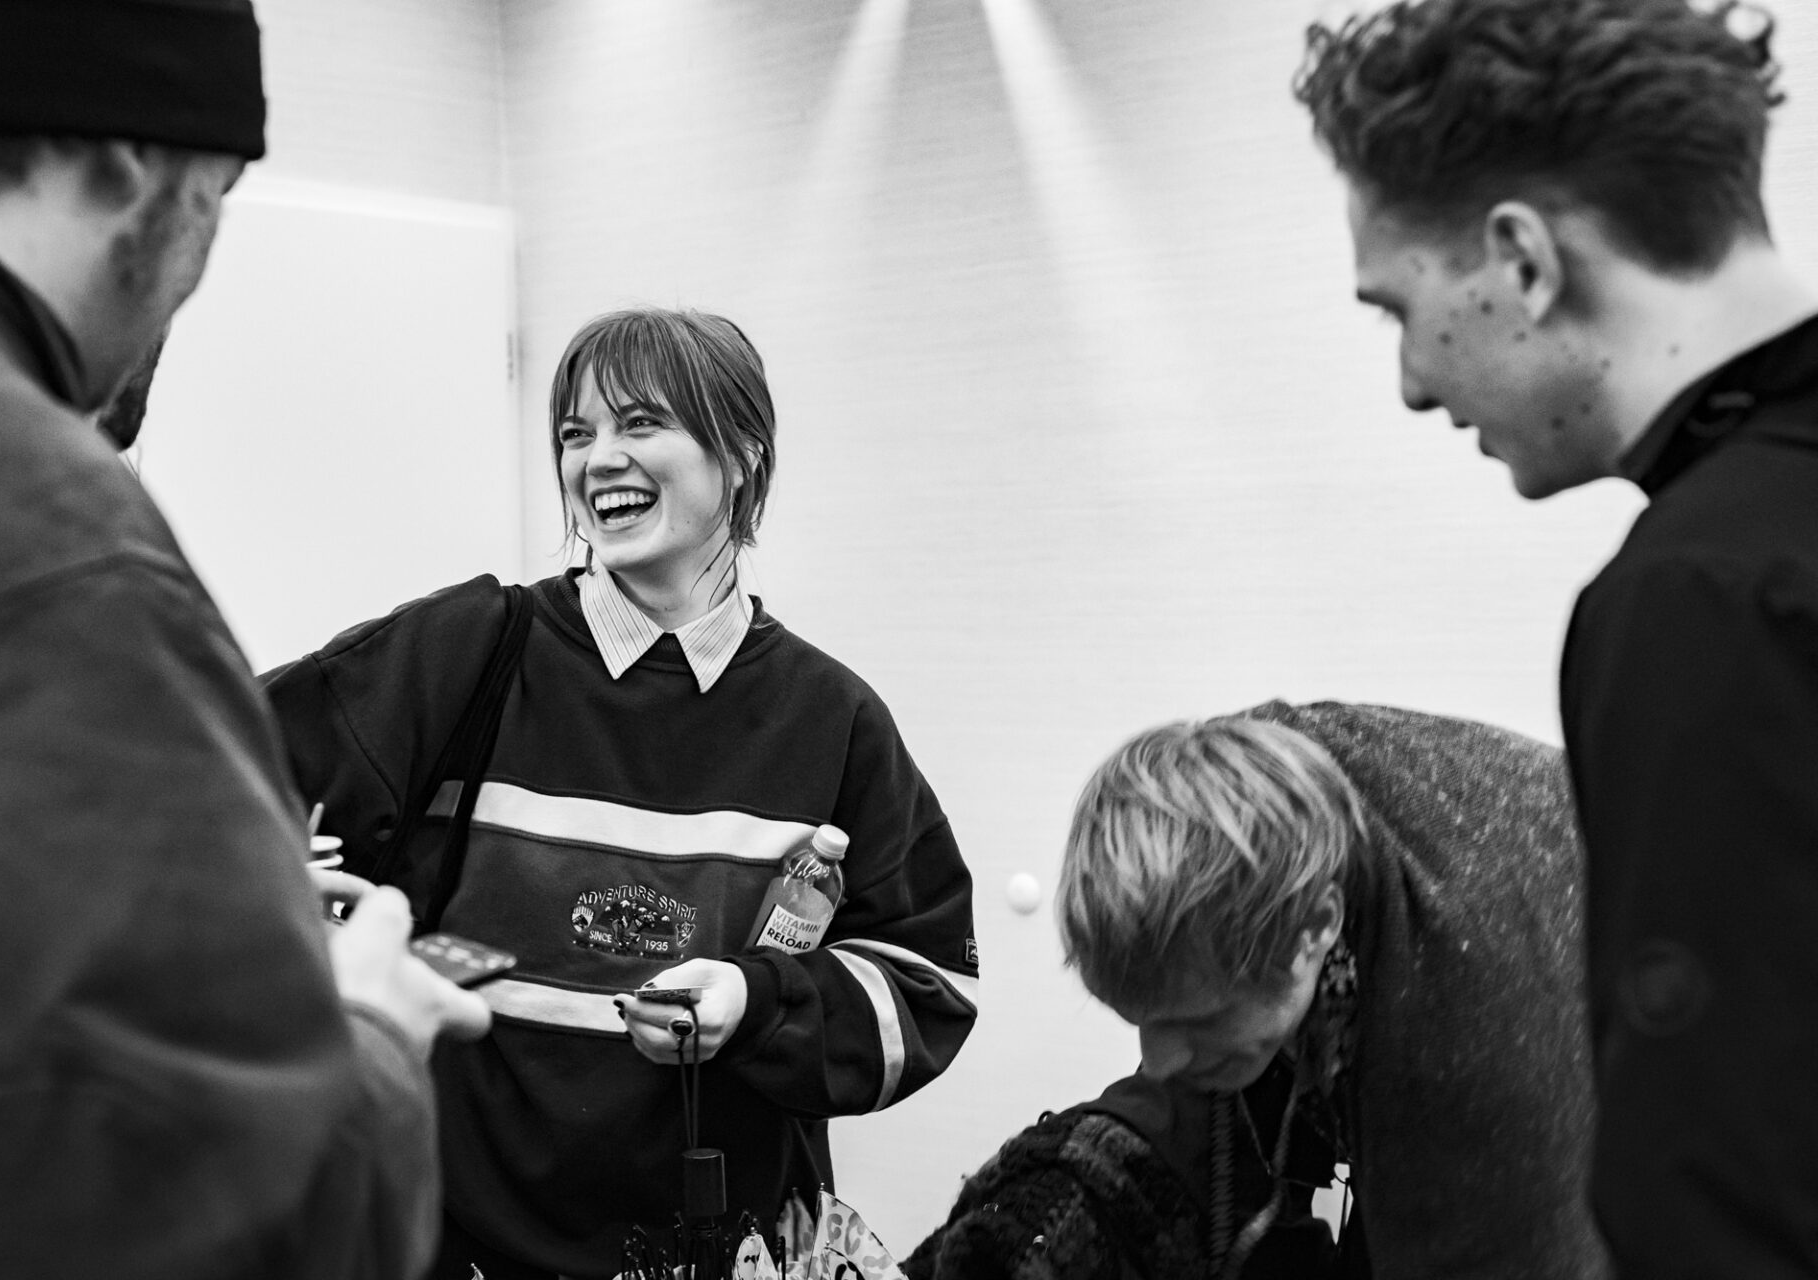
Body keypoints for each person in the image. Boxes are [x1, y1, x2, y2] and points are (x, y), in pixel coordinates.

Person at [0, 2, 493, 1277]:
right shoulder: (38, 529)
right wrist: (368, 1029)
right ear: (131, 160)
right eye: (214, 200)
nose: (193, 276)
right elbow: (238, 1212)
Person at [265, 306, 981, 1279]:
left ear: (743, 454)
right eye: (576, 432)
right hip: (460, 1246)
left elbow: (928, 984)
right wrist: (298, 903)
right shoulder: (467, 651)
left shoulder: (831, 717)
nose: (598, 458)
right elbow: (217, 774)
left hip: (720, 1252)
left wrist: (756, 1001)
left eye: (641, 422)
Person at [1293, 1, 1818, 1273]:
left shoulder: (1699, 597)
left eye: (1399, 310)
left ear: (1522, 258)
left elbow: (1728, 1195)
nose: (1413, 383)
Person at [908, 702, 1607, 1280]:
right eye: (1140, 1019)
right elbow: (1185, 1125)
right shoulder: (1235, 796)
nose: (1158, 1059)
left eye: (1198, 1020)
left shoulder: (1476, 1062)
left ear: (1317, 930)